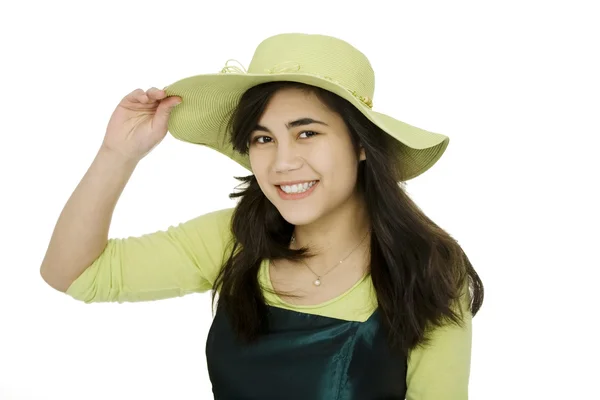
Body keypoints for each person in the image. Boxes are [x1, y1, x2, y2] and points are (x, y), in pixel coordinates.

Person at [40, 33, 484, 399]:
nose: (282, 162)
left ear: (362, 144)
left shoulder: (425, 273)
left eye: (306, 133)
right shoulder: (235, 238)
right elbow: (74, 273)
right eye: (262, 138)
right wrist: (117, 154)